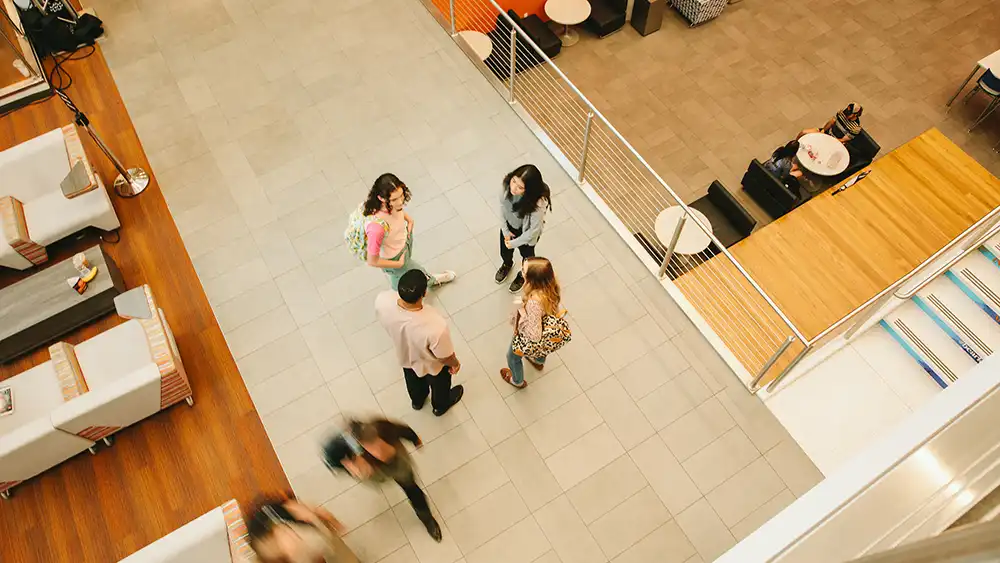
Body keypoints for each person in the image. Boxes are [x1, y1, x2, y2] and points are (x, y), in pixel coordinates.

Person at [323, 418, 441, 542]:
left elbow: (399, 430)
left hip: (398, 466)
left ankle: (427, 519)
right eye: (347, 466)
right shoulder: (345, 458)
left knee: (412, 490)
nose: (353, 470)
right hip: (380, 472)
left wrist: (414, 438)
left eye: (351, 462)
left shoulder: (376, 432)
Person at [374, 269, 464, 416]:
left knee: (412, 378)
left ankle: (417, 401)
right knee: (440, 384)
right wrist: (455, 363)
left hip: (405, 356)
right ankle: (440, 406)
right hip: (432, 365)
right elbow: (444, 356)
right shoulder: (435, 325)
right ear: (424, 293)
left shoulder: (382, 301)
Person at [363, 173, 455, 290]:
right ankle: (431, 280)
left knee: (402, 276)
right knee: (418, 274)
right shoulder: (376, 228)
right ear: (381, 198)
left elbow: (397, 211)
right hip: (395, 258)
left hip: (403, 244)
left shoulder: (389, 205)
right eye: (394, 199)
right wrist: (398, 264)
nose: (400, 202)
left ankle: (401, 290)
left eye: (401, 195)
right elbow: (372, 261)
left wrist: (409, 221)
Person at [500, 257, 562, 389]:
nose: (521, 271)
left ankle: (517, 381)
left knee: (512, 357)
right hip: (546, 329)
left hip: (528, 335)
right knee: (541, 348)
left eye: (523, 270)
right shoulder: (551, 288)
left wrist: (520, 311)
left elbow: (534, 335)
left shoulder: (534, 302)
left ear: (533, 279)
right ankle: (538, 361)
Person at [247, 492, 358, 563]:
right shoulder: (287, 512)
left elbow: (315, 512)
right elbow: (316, 511)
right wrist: (335, 524)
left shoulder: (270, 546)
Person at [495, 164, 551, 293]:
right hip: (509, 226)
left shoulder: (538, 203)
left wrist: (514, 243)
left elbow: (533, 231)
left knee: (527, 258)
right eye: (514, 181)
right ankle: (507, 264)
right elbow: (502, 208)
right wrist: (505, 231)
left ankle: (523, 275)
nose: (513, 188)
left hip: (526, 233)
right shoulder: (506, 186)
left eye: (520, 187)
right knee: (504, 251)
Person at [800, 102, 864, 143]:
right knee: (803, 132)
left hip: (836, 141)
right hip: (827, 133)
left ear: (856, 114)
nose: (846, 114)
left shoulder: (856, 128)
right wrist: (823, 130)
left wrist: (829, 140)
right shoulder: (841, 113)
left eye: (849, 114)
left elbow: (843, 140)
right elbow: (832, 122)